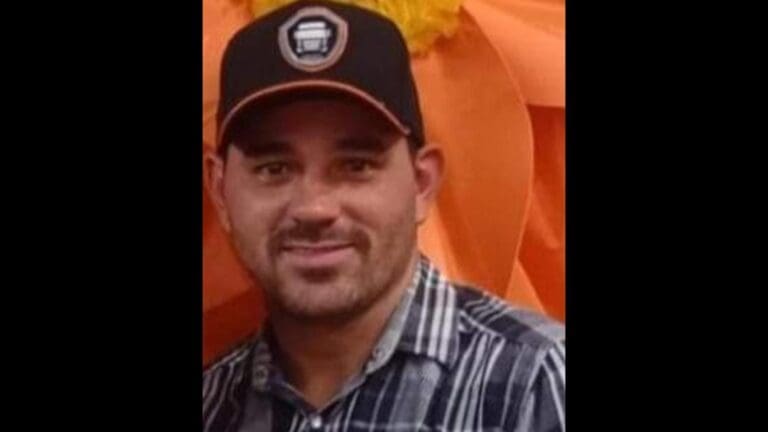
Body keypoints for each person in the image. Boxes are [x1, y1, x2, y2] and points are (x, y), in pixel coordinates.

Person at [203, 1, 564, 431]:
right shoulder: (212, 403)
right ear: (219, 191)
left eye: (356, 166)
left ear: (422, 183)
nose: (314, 208)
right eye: (274, 169)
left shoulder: (536, 386)